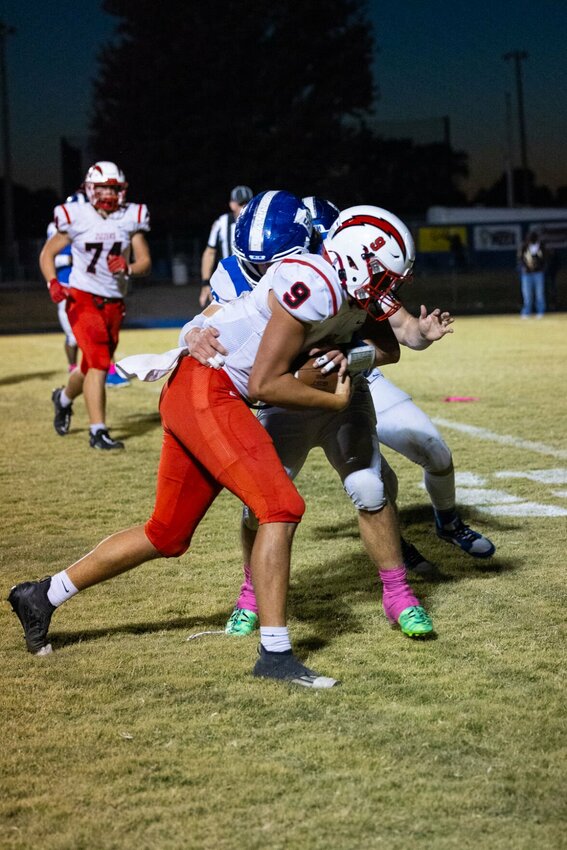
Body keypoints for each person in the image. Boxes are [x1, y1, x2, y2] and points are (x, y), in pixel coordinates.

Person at [8, 192, 429, 688]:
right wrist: (334, 402)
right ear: (357, 261)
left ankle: (42, 595)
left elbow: (258, 333)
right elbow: (263, 385)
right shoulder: (316, 284)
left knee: (166, 534)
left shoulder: (325, 277)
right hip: (210, 391)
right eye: (382, 276)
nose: (387, 289)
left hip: (199, 389)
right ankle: (275, 653)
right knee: (281, 506)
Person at [187, 198, 490, 639]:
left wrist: (346, 354)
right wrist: (191, 333)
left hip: (344, 394)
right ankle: (250, 594)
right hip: (286, 400)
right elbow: (251, 366)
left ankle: (399, 593)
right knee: (262, 502)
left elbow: (391, 345)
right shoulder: (301, 284)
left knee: (370, 486)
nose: (267, 269)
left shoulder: (350, 276)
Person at [41, 161, 151, 449]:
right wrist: (53, 282)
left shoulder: (130, 217)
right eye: (102, 188)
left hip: (114, 302)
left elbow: (145, 261)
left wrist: (128, 267)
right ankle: (97, 431)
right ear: (89, 189)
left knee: (91, 366)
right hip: (82, 298)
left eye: (113, 188)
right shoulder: (76, 216)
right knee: (101, 363)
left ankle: (63, 399)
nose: (108, 194)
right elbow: (46, 254)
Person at [199, 185, 253, 307]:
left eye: (248, 203)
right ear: (232, 204)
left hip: (253, 279)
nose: (245, 207)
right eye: (241, 203)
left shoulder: (257, 222)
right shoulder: (222, 223)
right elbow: (210, 252)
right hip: (228, 279)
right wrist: (205, 283)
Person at [518, 231, 546, 318]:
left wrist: (540, 267)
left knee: (539, 294)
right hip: (527, 274)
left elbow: (544, 258)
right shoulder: (524, 246)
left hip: (538, 273)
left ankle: (540, 311)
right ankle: (526, 311)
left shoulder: (540, 246)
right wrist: (524, 267)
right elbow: (520, 258)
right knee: (527, 294)